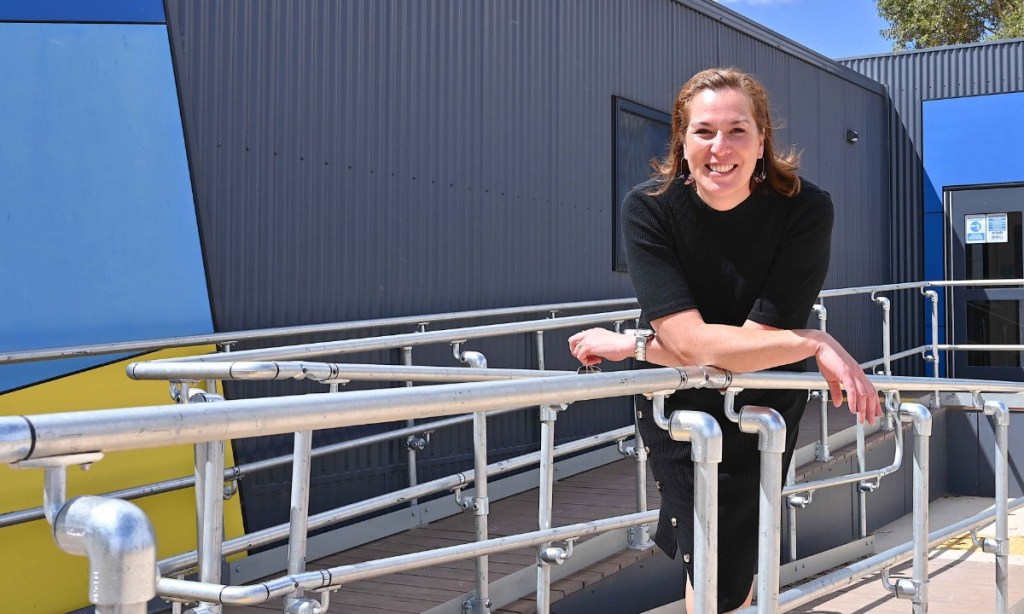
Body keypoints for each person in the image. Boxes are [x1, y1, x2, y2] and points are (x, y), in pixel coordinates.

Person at [568, 68, 883, 613]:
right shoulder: (650, 208)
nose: (721, 147)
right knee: (707, 551)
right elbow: (691, 343)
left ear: (763, 141)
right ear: (682, 142)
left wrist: (638, 345)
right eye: (704, 131)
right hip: (677, 401)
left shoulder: (805, 209)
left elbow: (753, 348)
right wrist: (810, 340)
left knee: (736, 556)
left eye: (738, 130)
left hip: (763, 397)